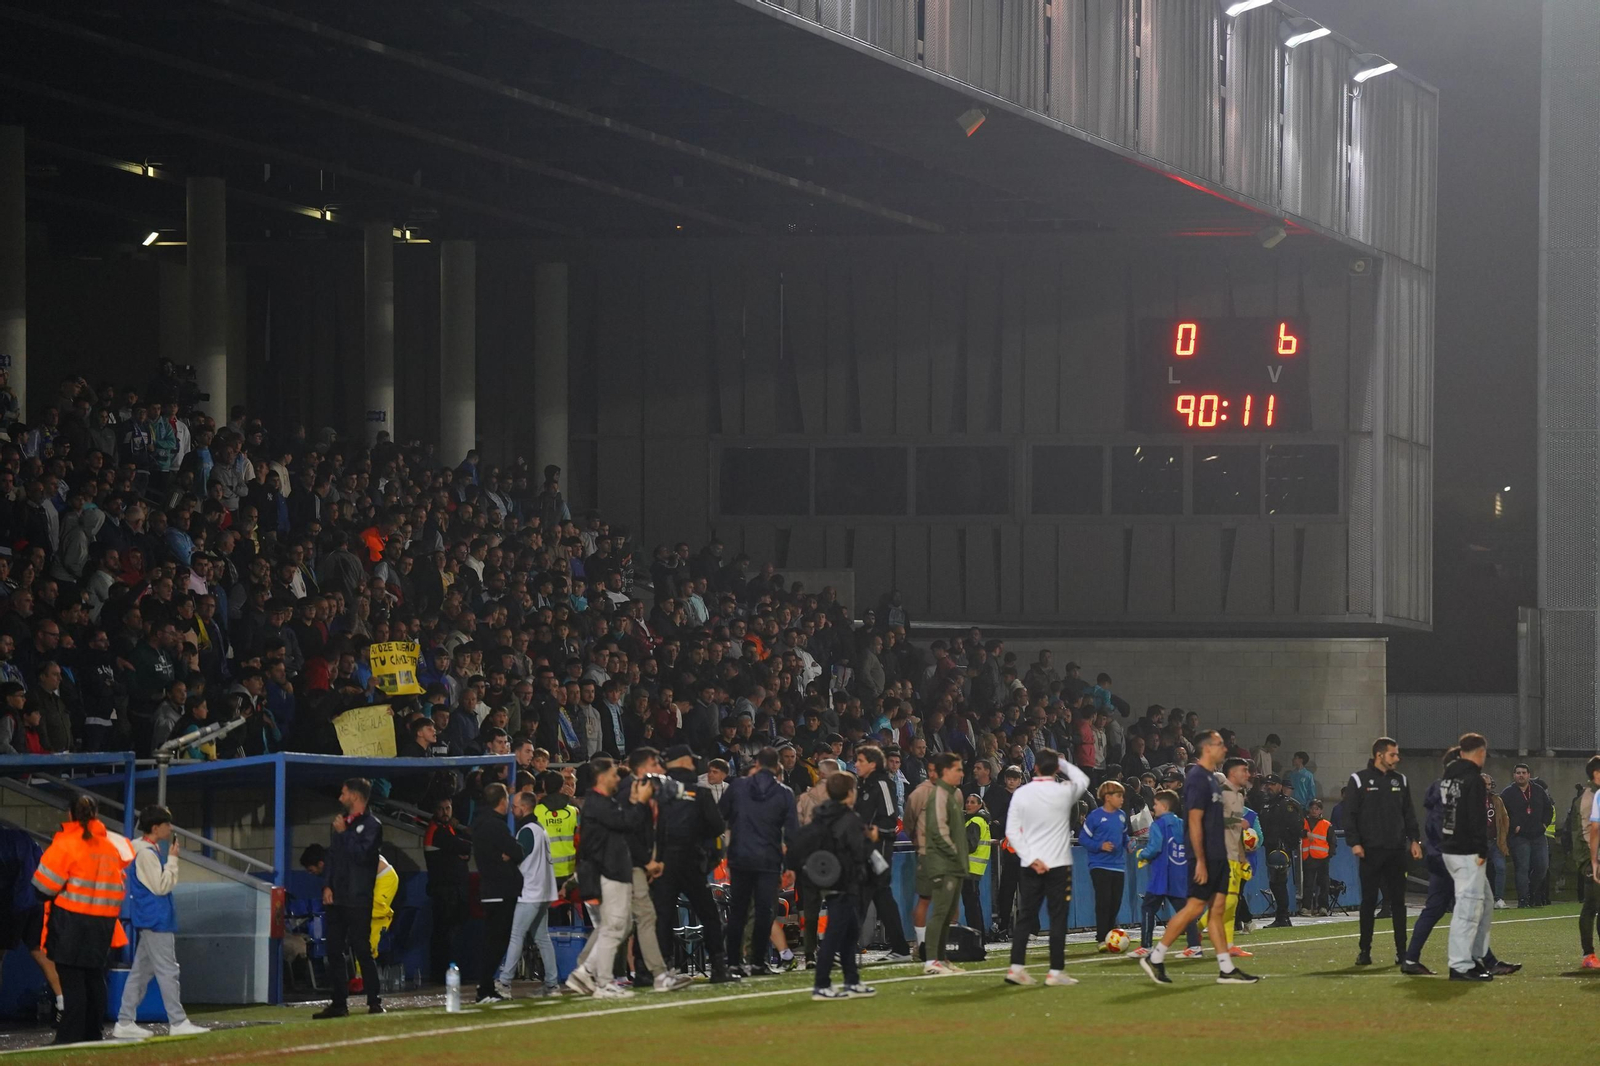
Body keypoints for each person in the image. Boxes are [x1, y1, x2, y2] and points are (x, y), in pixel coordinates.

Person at [1138, 731, 1259, 985]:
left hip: (1218, 854)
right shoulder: (1196, 778)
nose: (1223, 749)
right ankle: (1156, 956)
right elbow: (1193, 820)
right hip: (1205, 856)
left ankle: (1226, 969)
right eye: (1219, 745)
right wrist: (1200, 860)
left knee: (1215, 910)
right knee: (1194, 907)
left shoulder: (1212, 780)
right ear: (1207, 748)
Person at [32, 794, 134, 1045]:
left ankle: (69, 1036)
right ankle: (92, 1033)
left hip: (70, 922)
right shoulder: (110, 847)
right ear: (96, 815)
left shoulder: (66, 844)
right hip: (103, 924)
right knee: (94, 979)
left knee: (73, 981)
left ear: (70, 814)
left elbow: (42, 888)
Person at [112, 807, 208, 1040]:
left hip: (150, 917)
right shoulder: (146, 854)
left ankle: (125, 1020)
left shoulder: (144, 850)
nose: (170, 828)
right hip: (156, 919)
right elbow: (161, 886)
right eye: (167, 824)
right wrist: (173, 861)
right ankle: (177, 1021)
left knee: (141, 972)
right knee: (167, 970)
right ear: (155, 828)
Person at [565, 756, 653, 1000]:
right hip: (609, 871)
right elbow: (628, 823)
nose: (617, 778)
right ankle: (601, 980)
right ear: (602, 777)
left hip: (613, 870)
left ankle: (588, 973)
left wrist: (634, 801)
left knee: (617, 925)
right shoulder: (597, 803)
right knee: (614, 926)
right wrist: (640, 802)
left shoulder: (603, 802)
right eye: (614, 774)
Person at [1003, 749, 1090, 987]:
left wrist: (1030, 858)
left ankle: (1016, 968)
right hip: (1058, 863)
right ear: (1056, 768)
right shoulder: (1063, 791)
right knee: (1057, 918)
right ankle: (1055, 972)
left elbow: (1011, 831)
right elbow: (1083, 780)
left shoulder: (1021, 793)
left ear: (1035, 768)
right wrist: (1063, 764)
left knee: (1026, 916)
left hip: (1031, 864)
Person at [652, 745, 738, 983]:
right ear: (684, 761)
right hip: (692, 860)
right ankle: (719, 968)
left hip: (662, 862)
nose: (694, 764)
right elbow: (718, 826)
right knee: (708, 914)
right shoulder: (698, 793)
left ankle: (662, 969)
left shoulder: (657, 791)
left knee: (663, 916)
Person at [719, 746, 799, 976]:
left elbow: (719, 815)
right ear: (776, 767)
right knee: (765, 912)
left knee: (738, 912)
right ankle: (757, 962)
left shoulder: (738, 787)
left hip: (740, 858)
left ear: (756, 764)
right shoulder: (784, 792)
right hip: (768, 860)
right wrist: (790, 866)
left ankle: (733, 962)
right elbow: (792, 834)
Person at [1343, 737, 1421, 967]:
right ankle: (1364, 951)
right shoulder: (1358, 779)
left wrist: (1414, 839)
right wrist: (1354, 842)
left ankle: (1402, 952)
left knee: (1398, 902)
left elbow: (1409, 812)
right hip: (1370, 851)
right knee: (1368, 902)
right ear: (1380, 755)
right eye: (1393, 754)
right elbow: (1350, 814)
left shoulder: (1401, 780)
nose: (1397, 758)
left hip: (1396, 850)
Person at [311, 778, 384, 1018]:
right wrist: (327, 886)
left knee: (362, 950)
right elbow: (331, 858)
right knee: (334, 950)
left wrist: (344, 834)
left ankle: (374, 1001)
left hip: (358, 897)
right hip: (338, 898)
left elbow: (362, 856)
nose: (340, 798)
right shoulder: (342, 824)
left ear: (354, 796)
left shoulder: (372, 825)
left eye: (343, 794)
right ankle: (339, 1003)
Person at [809, 771, 877, 1002]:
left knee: (849, 934)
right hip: (847, 881)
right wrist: (871, 840)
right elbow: (858, 851)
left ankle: (852, 980)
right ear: (850, 793)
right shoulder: (849, 818)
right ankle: (821, 984)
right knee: (834, 935)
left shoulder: (822, 814)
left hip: (829, 878)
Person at [1438, 734, 1497, 980]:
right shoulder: (1472, 779)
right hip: (1467, 851)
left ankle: (1474, 957)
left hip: (1451, 846)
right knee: (1468, 909)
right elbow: (1475, 818)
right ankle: (1461, 965)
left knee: (1484, 903)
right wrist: (1482, 849)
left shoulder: (1449, 776)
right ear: (1480, 752)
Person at [495, 791, 559, 998]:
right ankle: (552, 985)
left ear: (523, 808)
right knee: (543, 938)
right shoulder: (540, 829)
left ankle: (504, 984)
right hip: (544, 892)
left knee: (516, 935)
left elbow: (518, 853)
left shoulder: (527, 830)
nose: (512, 810)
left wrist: (505, 855)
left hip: (530, 892)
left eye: (515, 806)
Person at [851, 745, 913, 962]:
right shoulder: (864, 785)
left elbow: (890, 815)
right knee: (877, 895)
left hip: (879, 848)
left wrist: (878, 834)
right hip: (865, 848)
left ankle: (845, 948)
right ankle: (900, 948)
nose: (856, 764)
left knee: (867, 894)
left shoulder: (882, 782)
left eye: (860, 760)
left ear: (873, 763)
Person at [1134, 789, 1200, 958]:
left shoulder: (1158, 824)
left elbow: (1155, 847)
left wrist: (1142, 855)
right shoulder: (1182, 824)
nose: (1153, 808)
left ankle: (1146, 946)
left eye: (1155, 804)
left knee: (1148, 908)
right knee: (1185, 911)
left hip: (1161, 876)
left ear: (1163, 806)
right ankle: (1194, 946)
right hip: (1179, 875)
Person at [472, 782, 521, 1003]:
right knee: (496, 942)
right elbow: (517, 850)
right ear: (503, 801)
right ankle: (484, 989)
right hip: (500, 889)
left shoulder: (481, 824)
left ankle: (487, 987)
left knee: (493, 941)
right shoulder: (495, 826)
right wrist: (510, 853)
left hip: (490, 889)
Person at [920, 752, 968, 976]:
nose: (962, 773)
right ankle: (931, 960)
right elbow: (938, 831)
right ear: (946, 771)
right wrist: (956, 854)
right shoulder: (939, 794)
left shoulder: (951, 795)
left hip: (953, 864)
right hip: (944, 864)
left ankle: (941, 958)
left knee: (948, 913)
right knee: (940, 912)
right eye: (958, 769)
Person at [422, 798, 472, 985]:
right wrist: (461, 845)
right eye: (441, 808)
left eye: (448, 808)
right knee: (445, 936)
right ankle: (443, 975)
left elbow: (463, 853)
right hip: (445, 891)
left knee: (447, 934)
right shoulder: (438, 831)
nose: (445, 812)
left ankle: (446, 974)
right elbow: (464, 847)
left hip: (451, 890)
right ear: (435, 811)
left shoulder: (446, 829)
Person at [1079, 779, 1128, 950]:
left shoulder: (1122, 815)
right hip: (1099, 865)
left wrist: (1128, 844)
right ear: (1107, 797)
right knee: (1104, 901)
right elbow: (1083, 838)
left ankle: (1109, 935)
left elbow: (1124, 836)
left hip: (1119, 865)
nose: (1122, 799)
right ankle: (1102, 937)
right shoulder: (1095, 816)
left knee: (1115, 902)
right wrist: (1100, 846)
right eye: (1118, 796)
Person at [1500, 764, 1553, 908]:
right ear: (1514, 775)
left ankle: (1531, 892)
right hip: (1519, 837)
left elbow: (1549, 809)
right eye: (1518, 773)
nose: (1521, 775)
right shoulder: (1507, 793)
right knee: (1522, 867)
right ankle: (1523, 899)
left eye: (1524, 772)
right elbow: (1501, 815)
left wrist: (1544, 825)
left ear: (1529, 775)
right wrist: (1513, 828)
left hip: (1538, 835)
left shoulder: (1538, 790)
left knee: (1542, 866)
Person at [1257, 775, 1301, 928]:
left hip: (1281, 848)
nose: (1269, 787)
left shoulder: (1286, 804)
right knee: (1275, 883)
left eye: (1272, 784)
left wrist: (1287, 846)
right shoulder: (1265, 804)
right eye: (1267, 784)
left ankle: (1283, 917)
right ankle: (1281, 916)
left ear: (1280, 786)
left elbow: (1296, 828)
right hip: (1269, 847)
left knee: (1278, 882)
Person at [962, 792, 992, 932]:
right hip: (975, 868)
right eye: (967, 801)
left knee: (971, 906)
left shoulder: (975, 822)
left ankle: (976, 936)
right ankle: (979, 936)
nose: (968, 804)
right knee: (973, 904)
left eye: (972, 802)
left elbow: (970, 845)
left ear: (980, 805)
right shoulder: (980, 820)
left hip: (969, 868)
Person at [1300, 799, 1335, 916]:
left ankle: (1323, 907)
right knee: (1308, 884)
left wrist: (1329, 855)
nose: (1314, 811)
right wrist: (1305, 834)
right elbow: (1297, 831)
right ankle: (1306, 907)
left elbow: (1332, 841)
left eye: (1317, 809)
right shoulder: (1303, 822)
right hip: (1308, 857)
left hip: (1322, 858)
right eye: (1312, 808)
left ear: (1321, 810)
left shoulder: (1326, 824)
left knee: (1324, 884)